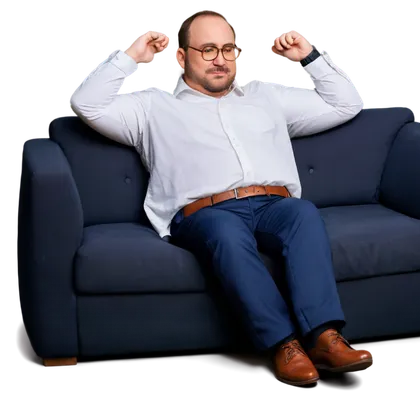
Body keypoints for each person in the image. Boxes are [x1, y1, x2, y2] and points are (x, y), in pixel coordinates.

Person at [68, 8, 374, 386]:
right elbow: (86, 103)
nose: (220, 60)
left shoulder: (265, 96)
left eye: (229, 50)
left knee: (304, 215)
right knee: (227, 235)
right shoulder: (150, 107)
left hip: (274, 205)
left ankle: (325, 337)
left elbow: (348, 102)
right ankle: (284, 345)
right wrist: (131, 56)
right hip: (206, 213)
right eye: (208, 49)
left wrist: (308, 57)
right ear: (180, 57)